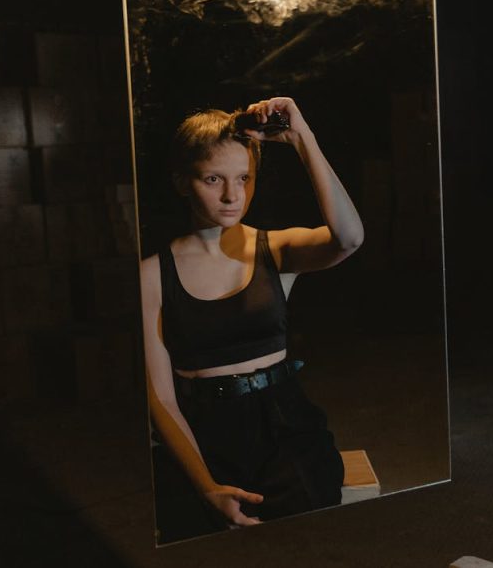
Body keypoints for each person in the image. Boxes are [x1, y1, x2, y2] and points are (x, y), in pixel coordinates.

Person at [140, 96, 364, 541]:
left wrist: (303, 138)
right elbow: (162, 400)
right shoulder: (151, 275)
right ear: (183, 182)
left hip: (285, 426)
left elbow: (350, 237)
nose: (232, 195)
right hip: (204, 433)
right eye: (213, 179)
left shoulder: (274, 249)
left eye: (244, 178)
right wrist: (206, 487)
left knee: (304, 537)